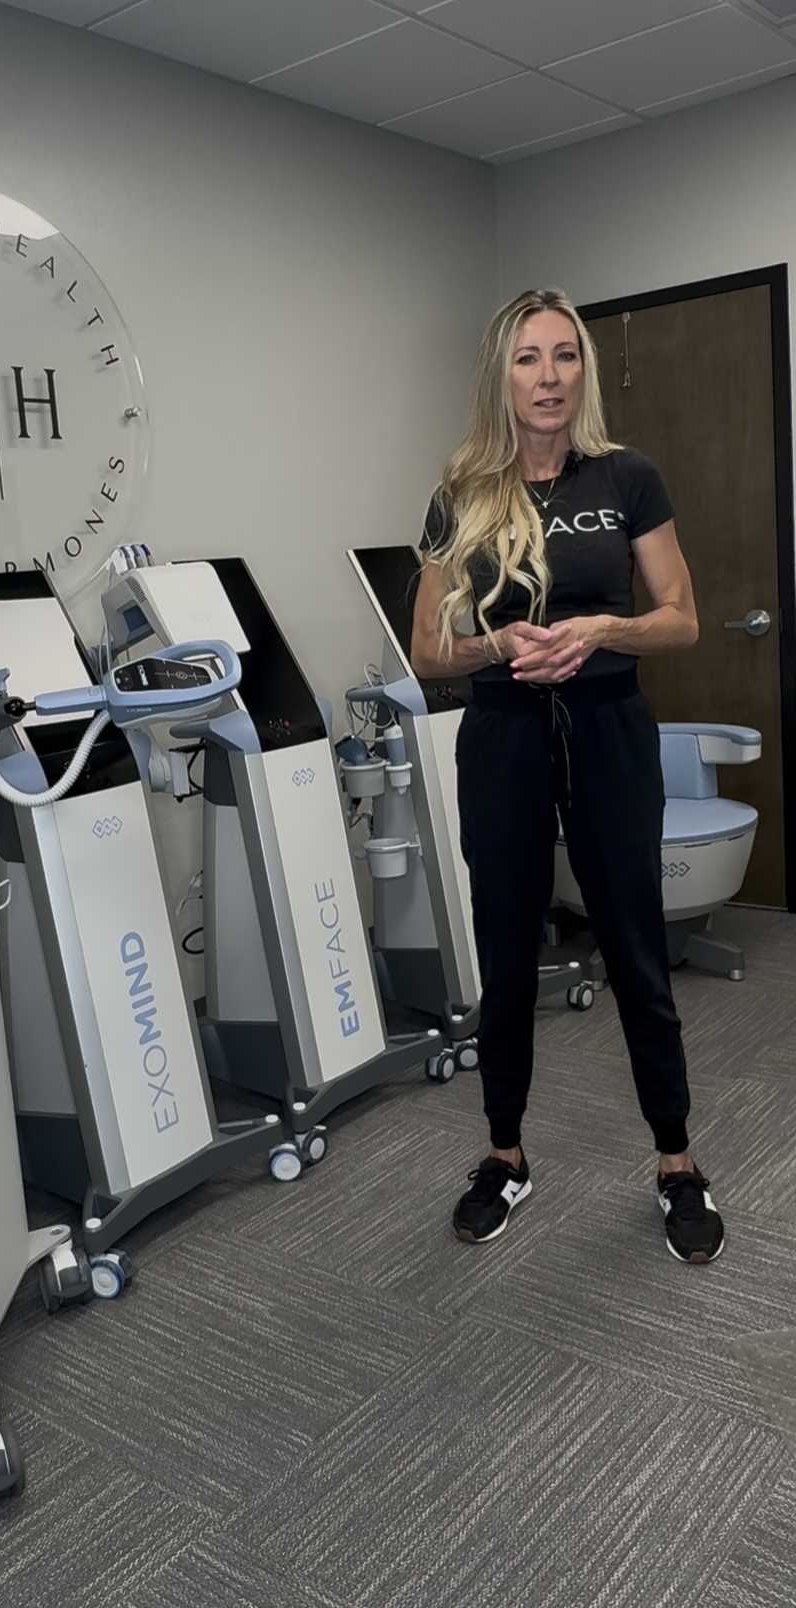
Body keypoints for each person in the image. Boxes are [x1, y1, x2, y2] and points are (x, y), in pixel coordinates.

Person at [410, 286, 723, 1265]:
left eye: (564, 357)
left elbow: (681, 616)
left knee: (636, 947)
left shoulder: (628, 478)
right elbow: (426, 650)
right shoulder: (460, 492)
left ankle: (676, 1164)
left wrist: (601, 629)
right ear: (499, 375)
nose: (549, 377)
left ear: (581, 370)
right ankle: (504, 1156)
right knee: (506, 948)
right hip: (502, 731)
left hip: (608, 727)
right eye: (527, 359)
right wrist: (495, 644)